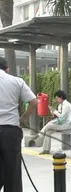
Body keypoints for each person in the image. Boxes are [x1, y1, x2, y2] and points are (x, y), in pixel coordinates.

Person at [0, 57, 38, 192]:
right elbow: (34, 102)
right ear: (7, 69)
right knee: (13, 173)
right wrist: (23, 118)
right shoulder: (16, 81)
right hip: (11, 132)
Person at [31, 90, 71, 154]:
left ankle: (39, 135)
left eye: (57, 98)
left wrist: (54, 111)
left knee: (49, 124)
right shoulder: (60, 105)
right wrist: (53, 112)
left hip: (67, 124)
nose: (56, 100)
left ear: (61, 97)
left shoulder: (67, 105)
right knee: (48, 131)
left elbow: (61, 117)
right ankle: (46, 150)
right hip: (61, 123)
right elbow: (58, 116)